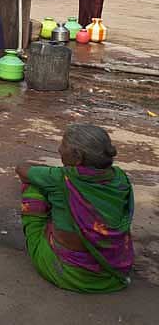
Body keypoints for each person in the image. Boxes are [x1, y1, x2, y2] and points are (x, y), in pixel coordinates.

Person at [15, 124, 134, 293]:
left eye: (63, 145)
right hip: (112, 274)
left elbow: (21, 169)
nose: (59, 149)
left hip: (70, 274)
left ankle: (48, 247)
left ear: (77, 157)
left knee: (34, 185)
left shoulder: (61, 178)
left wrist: (42, 173)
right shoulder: (120, 178)